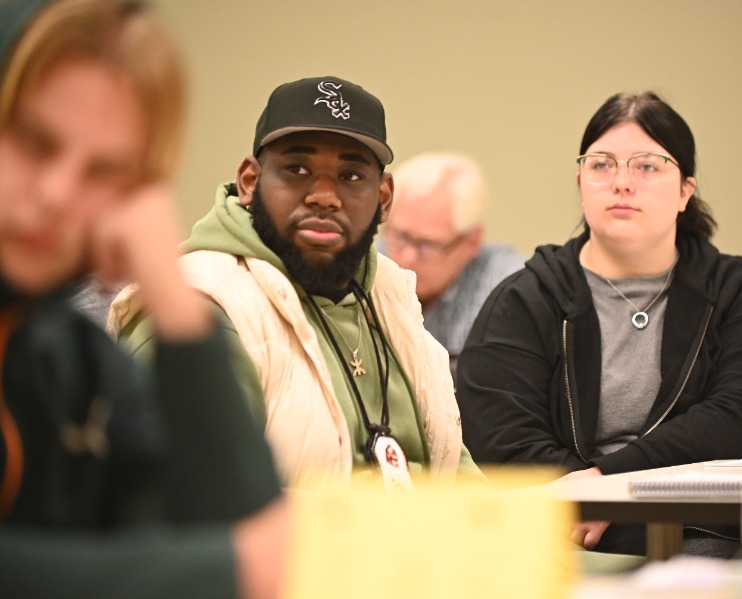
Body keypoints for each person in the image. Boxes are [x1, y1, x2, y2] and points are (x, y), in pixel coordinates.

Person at [0, 1, 287, 597]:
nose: (56, 194)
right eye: (34, 141)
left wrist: (172, 295)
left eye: (104, 171)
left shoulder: (75, 362)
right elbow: (248, 561)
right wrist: (221, 571)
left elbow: (252, 531)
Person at [111, 75, 483, 493]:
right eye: (297, 170)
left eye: (351, 176)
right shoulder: (200, 308)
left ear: (383, 198)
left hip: (425, 553)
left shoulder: (392, 298)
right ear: (250, 181)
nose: (324, 196)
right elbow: (191, 511)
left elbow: (458, 477)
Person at [455, 91, 742, 557]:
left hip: (705, 530)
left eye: (648, 166)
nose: (622, 183)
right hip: (560, 530)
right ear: (580, 180)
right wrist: (587, 502)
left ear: (685, 191)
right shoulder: (527, 296)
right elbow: (500, 437)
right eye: (602, 165)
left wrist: (612, 486)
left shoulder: (741, 292)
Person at [381, 152, 523, 380]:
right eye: (400, 236)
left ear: (472, 242)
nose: (406, 257)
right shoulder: (364, 267)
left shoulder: (508, 290)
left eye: (427, 245)